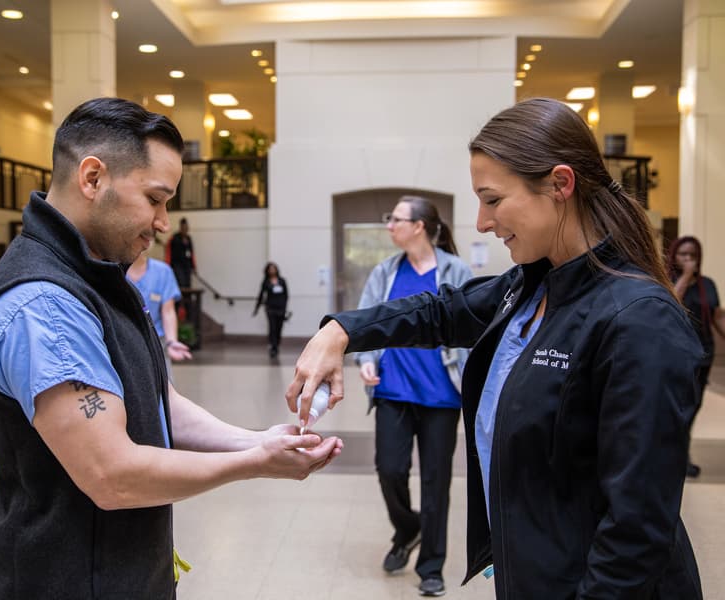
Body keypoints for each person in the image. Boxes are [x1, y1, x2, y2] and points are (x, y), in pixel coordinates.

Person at [287, 97, 703, 599]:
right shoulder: (531, 286)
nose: (482, 222)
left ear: (560, 185)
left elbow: (636, 529)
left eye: (493, 199)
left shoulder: (639, 319)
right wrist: (340, 332)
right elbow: (440, 311)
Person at [0, 97, 343, 600]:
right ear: (93, 178)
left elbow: (155, 397)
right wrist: (255, 464)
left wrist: (253, 441)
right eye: (155, 198)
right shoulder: (44, 306)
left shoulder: (97, 275)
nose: (164, 221)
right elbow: (113, 475)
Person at [356, 196, 471, 597]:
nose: (390, 226)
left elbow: (472, 329)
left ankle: (432, 567)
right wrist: (366, 360)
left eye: (396, 220)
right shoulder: (386, 271)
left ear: (419, 226)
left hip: (442, 396)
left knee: (436, 482)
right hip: (392, 390)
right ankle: (408, 528)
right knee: (390, 469)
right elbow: (366, 319)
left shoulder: (456, 270)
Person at [667, 235, 725, 478]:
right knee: (677, 406)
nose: (689, 259)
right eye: (684, 255)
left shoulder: (708, 284)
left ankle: (681, 455)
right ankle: (672, 456)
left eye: (694, 256)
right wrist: (687, 276)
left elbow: (717, 316)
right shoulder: (667, 280)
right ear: (674, 256)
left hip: (703, 355)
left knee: (692, 406)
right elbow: (671, 303)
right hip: (675, 356)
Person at [127, 246, 193, 370]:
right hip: (124, 343)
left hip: (157, 343)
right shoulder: (113, 271)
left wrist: (171, 341)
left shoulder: (162, 272)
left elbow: (168, 311)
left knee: (164, 386)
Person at [252, 262, 289, 358]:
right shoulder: (266, 282)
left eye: (273, 268)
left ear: (276, 270)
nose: (272, 270)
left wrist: (285, 308)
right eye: (270, 269)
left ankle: (276, 344)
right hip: (270, 308)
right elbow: (261, 295)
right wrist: (257, 307)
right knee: (272, 328)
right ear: (267, 271)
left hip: (281, 308)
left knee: (278, 328)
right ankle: (274, 347)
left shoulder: (282, 281)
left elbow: (286, 295)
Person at [168, 217, 195, 289]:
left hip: (187, 265)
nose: (185, 229)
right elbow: (170, 253)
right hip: (178, 265)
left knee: (188, 284)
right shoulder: (175, 238)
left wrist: (193, 266)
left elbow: (191, 253)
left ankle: (187, 299)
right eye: (183, 227)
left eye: (186, 227)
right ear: (180, 227)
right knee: (181, 283)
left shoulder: (189, 238)